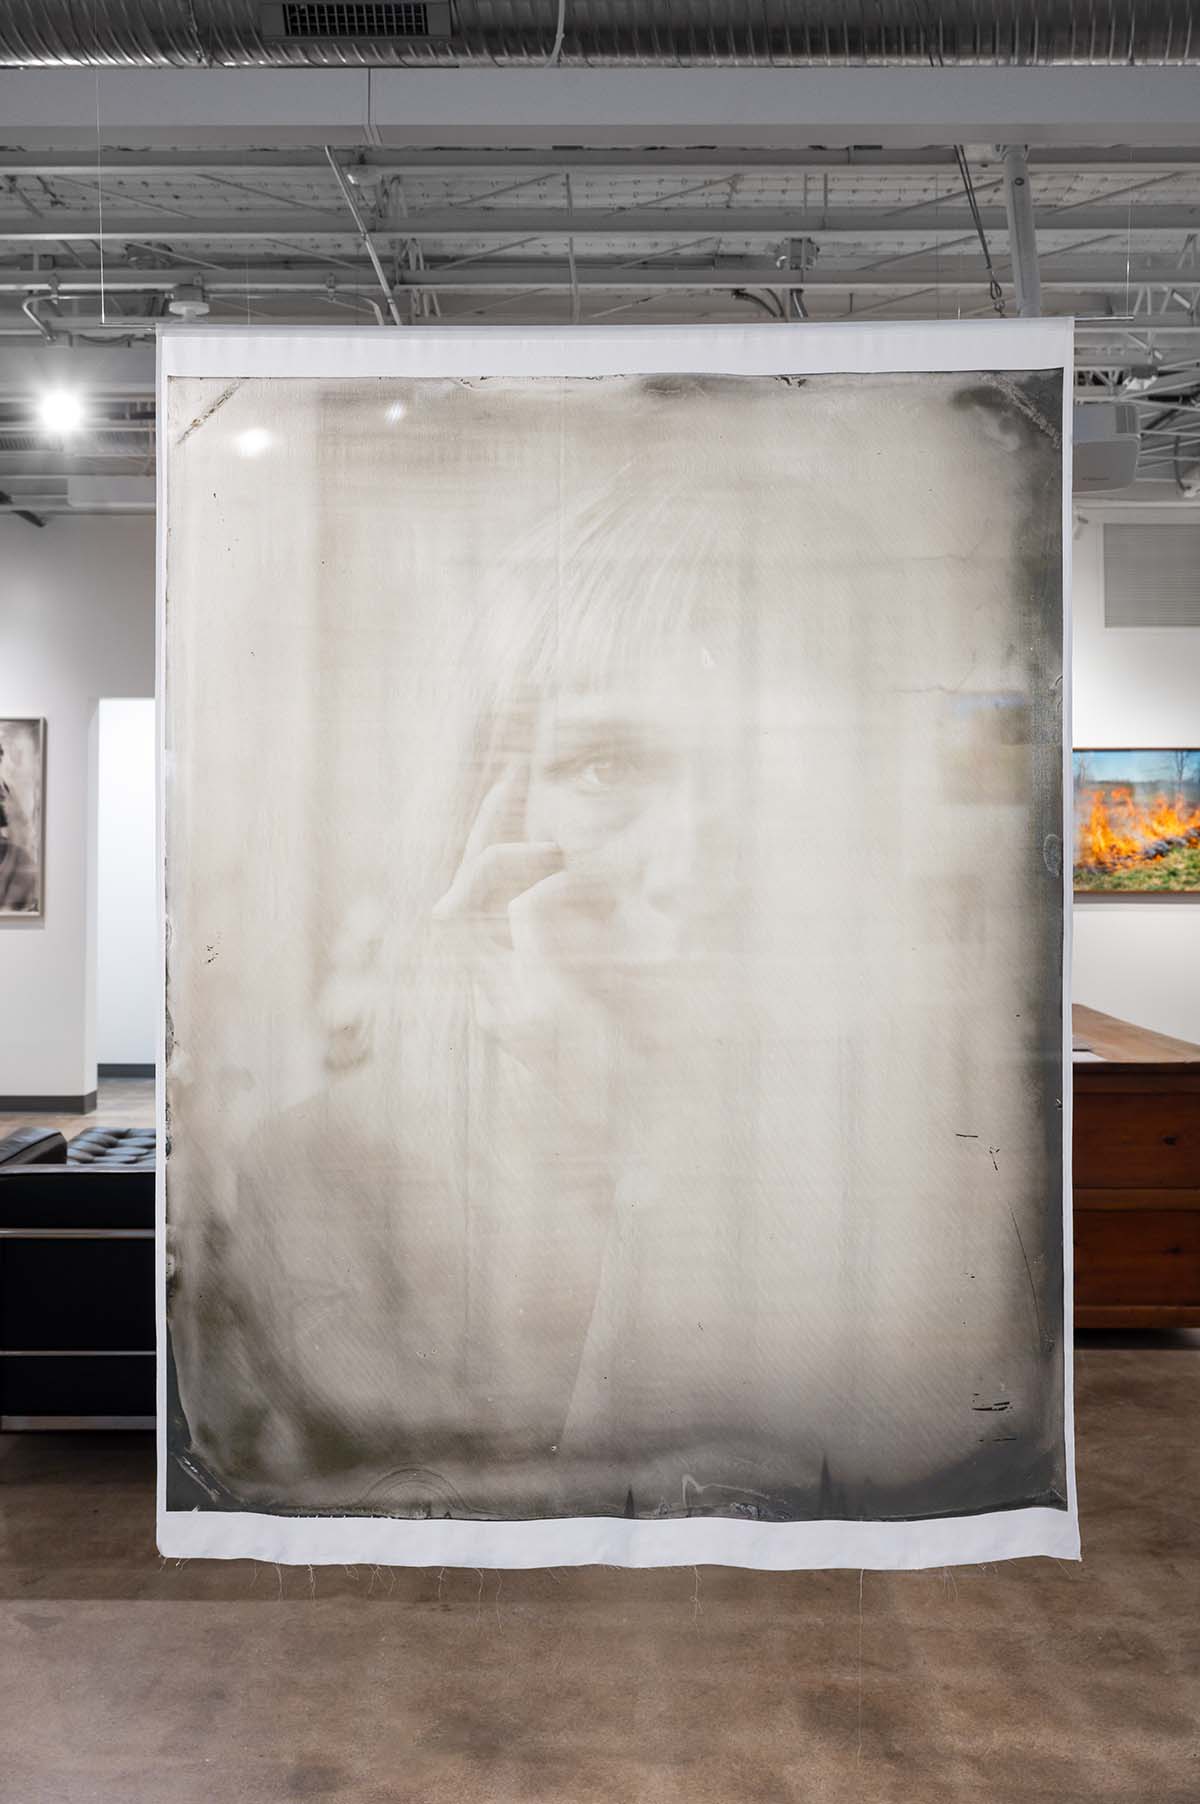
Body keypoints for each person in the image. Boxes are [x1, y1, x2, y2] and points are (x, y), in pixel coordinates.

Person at [167, 370, 1067, 1523]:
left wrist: (658, 1132)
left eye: (764, 769)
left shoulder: (933, 1171)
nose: (685, 863)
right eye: (606, 766)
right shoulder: (319, 1178)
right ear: (488, 816)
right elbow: (546, 1504)